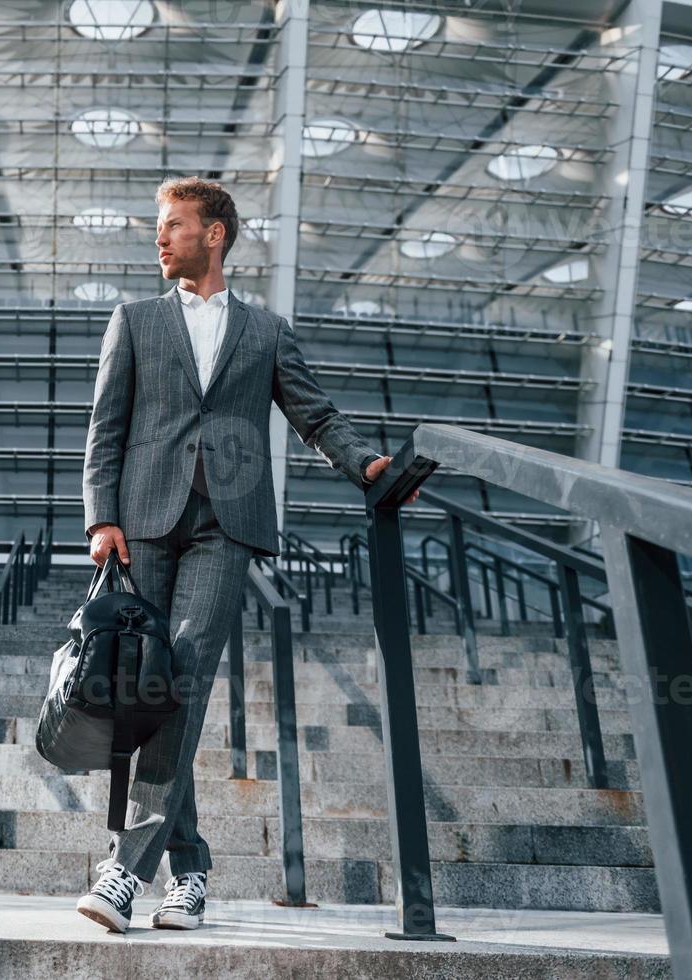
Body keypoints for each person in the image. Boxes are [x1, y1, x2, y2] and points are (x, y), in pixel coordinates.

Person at [75, 176, 418, 934]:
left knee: (185, 675)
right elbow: (106, 426)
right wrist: (100, 517)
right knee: (154, 691)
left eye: (172, 226)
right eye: (158, 227)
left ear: (215, 234)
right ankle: (190, 869)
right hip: (144, 520)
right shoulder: (133, 320)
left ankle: (123, 871)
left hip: (225, 525)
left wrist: (365, 465)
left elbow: (314, 413)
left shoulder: (264, 330)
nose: (159, 238)